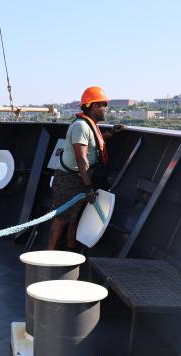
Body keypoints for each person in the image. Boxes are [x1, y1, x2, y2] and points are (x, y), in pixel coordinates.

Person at [47, 86, 123, 251]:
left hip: (82, 177)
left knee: (75, 218)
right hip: (70, 179)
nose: (106, 108)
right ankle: (48, 256)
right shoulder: (81, 126)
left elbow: (93, 144)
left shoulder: (89, 125)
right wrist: (88, 186)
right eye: (103, 104)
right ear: (94, 106)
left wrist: (111, 134)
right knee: (61, 218)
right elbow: (81, 159)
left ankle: (70, 252)